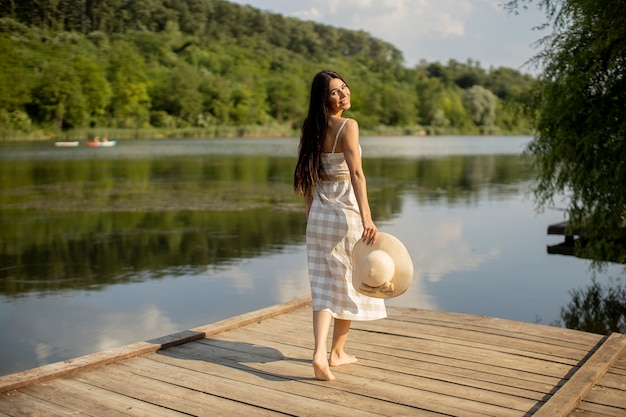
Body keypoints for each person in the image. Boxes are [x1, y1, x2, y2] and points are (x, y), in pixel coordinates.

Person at [294, 70, 386, 381]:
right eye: (335, 91)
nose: (343, 94)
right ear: (324, 98)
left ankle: (321, 354)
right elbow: (357, 174)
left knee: (322, 287)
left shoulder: (311, 128)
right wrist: (368, 218)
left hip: (320, 213)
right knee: (348, 284)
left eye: (344, 88)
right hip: (345, 213)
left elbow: (305, 175)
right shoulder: (349, 126)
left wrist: (310, 211)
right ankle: (335, 353)